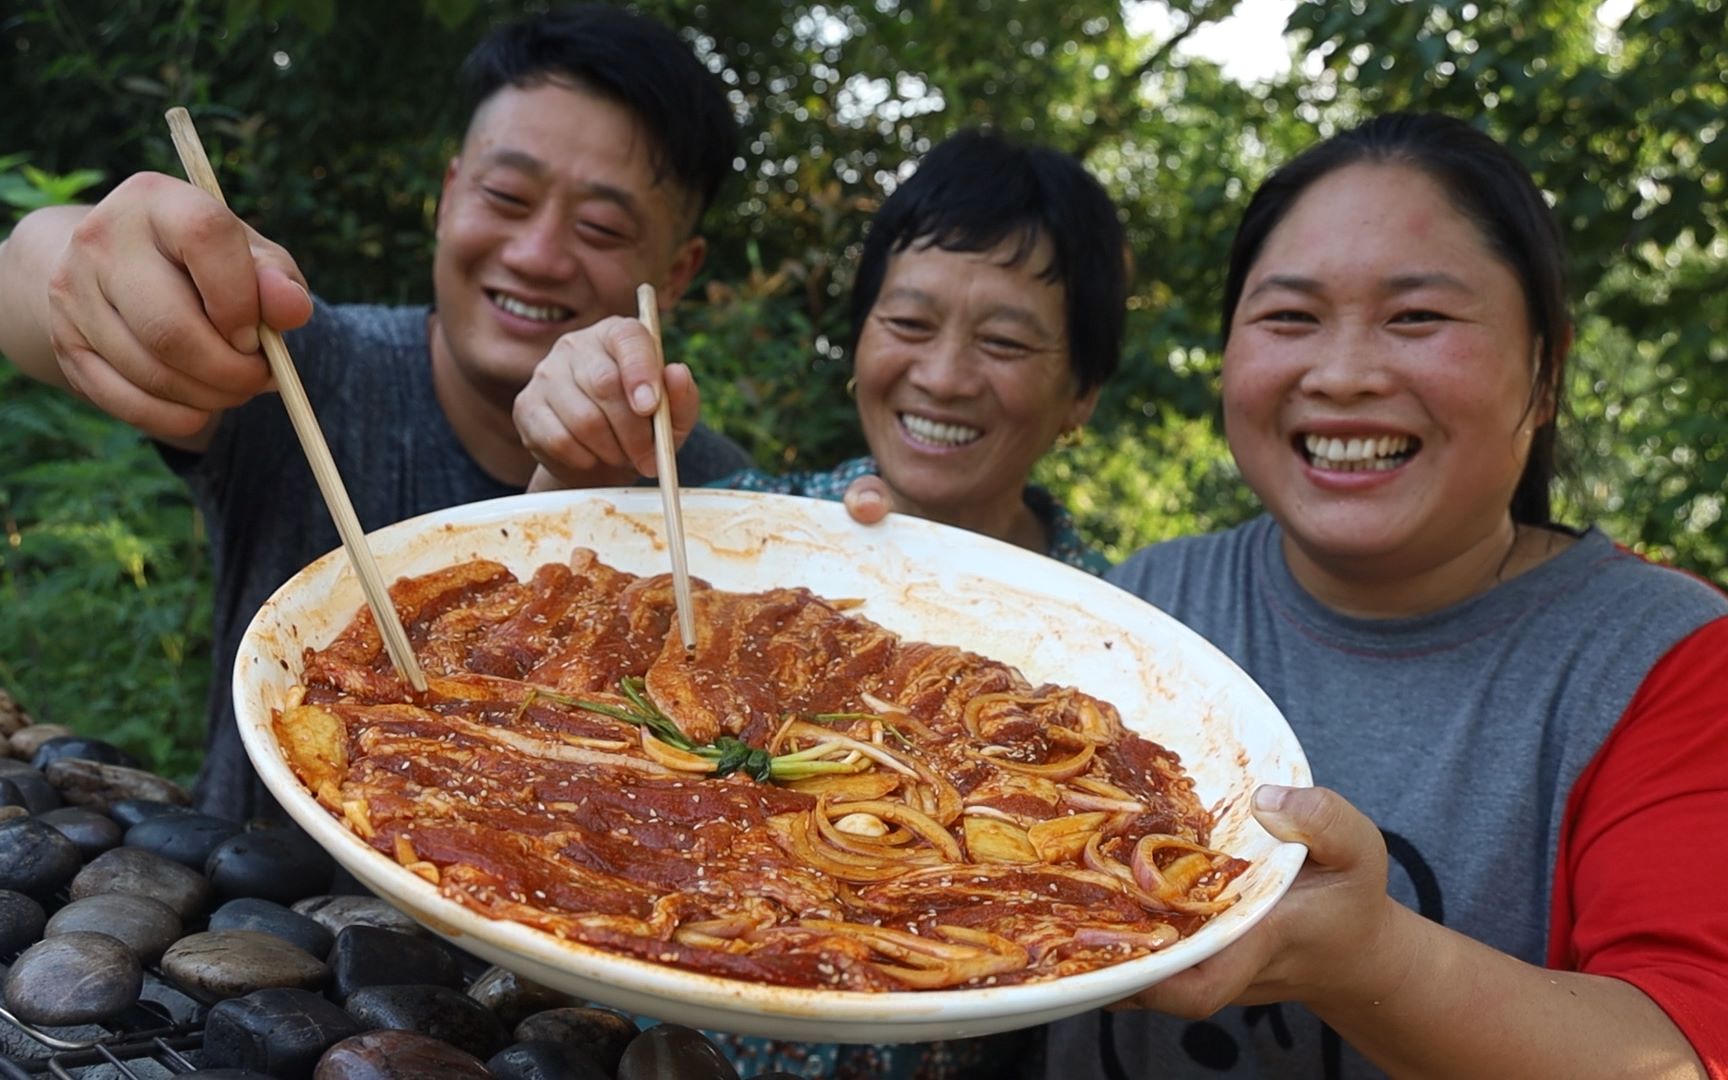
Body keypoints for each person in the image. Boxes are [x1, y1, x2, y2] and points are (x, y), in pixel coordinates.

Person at [1010, 112, 1727, 1077]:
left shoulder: (1669, 663)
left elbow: (1682, 1053)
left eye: (1417, 318)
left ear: (1547, 368)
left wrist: (1370, 958)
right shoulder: (1147, 604)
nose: (1342, 374)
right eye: (1290, 318)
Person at [0, 7, 752, 820]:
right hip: (241, 918)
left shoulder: (710, 499)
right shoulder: (308, 373)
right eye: (506, 195)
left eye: (601, 226)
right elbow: (23, 275)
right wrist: (82, 272)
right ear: (449, 193)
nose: (536, 253)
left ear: (675, 275)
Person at [517, 127, 1127, 578]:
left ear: (1083, 391)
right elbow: (551, 611)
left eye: (1004, 341)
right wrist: (577, 476)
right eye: (910, 322)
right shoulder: (732, 528)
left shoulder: (1122, 622)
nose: (943, 379)